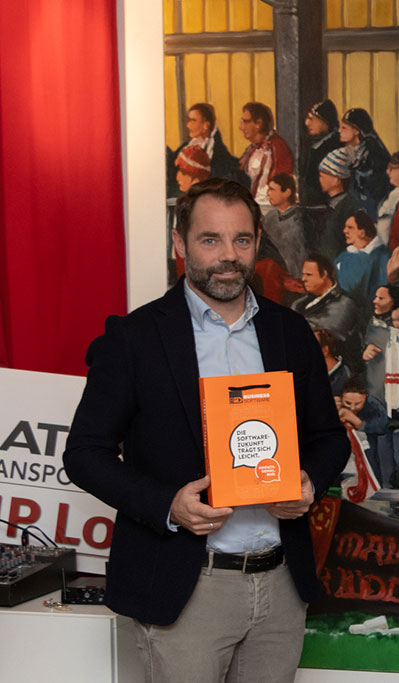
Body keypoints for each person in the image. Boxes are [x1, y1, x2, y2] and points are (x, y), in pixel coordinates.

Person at [63, 178, 349, 682]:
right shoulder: (134, 338)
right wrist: (167, 505)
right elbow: (84, 453)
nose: (228, 256)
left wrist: (308, 483)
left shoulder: (289, 331)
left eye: (242, 239)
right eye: (210, 239)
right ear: (180, 243)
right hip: (186, 584)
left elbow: (329, 438)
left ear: (257, 242)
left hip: (281, 583)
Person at [238, 101, 294, 211]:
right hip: (252, 206)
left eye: (245, 122)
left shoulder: (277, 147)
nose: (241, 127)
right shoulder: (252, 149)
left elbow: (282, 184)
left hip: (269, 208)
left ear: (258, 124)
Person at [299, 99, 343, 207]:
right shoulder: (313, 144)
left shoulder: (336, 146)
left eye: (312, 119)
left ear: (325, 121)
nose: (307, 123)